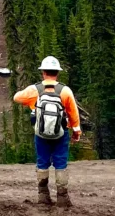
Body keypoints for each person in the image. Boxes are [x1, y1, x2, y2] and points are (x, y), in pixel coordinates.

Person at [13, 56, 82, 207]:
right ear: (57, 72)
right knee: (61, 162)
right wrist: (76, 132)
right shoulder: (65, 91)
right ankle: (62, 197)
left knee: (42, 162)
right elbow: (74, 114)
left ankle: (43, 196)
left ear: (43, 72)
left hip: (41, 134)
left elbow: (16, 97)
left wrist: (32, 104)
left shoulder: (35, 90)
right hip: (61, 134)